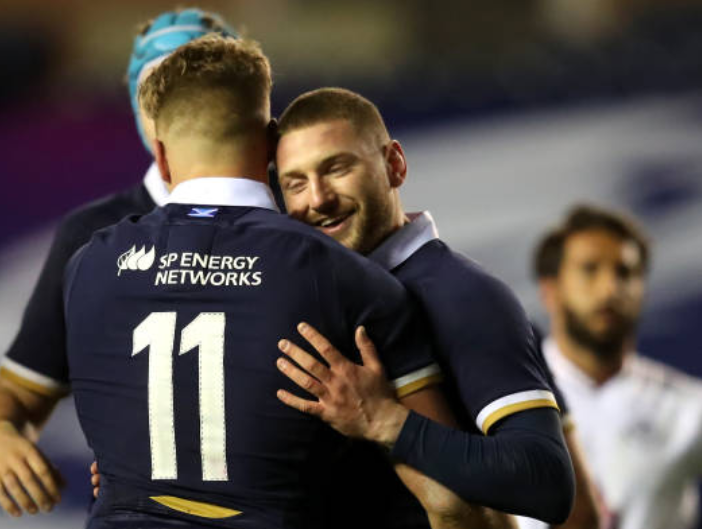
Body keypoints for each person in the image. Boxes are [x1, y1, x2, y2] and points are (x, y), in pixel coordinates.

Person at [65, 35, 447, 529]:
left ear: (160, 156)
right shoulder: (347, 276)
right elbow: (448, 491)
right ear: (272, 143)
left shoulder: (87, 266)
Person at [0, 8, 237, 517]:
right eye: (161, 86)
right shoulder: (91, 236)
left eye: (200, 80)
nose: (183, 105)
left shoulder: (304, 204)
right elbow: (13, 395)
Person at [271, 87, 581, 526]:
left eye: (337, 168)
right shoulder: (305, 297)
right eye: (295, 183)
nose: (318, 199)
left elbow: (546, 481)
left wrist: (387, 422)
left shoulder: (465, 294)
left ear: (393, 165)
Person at [518, 205, 702, 529]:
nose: (610, 289)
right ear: (550, 290)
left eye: (625, 272)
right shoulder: (502, 398)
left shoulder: (688, 407)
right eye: (590, 269)